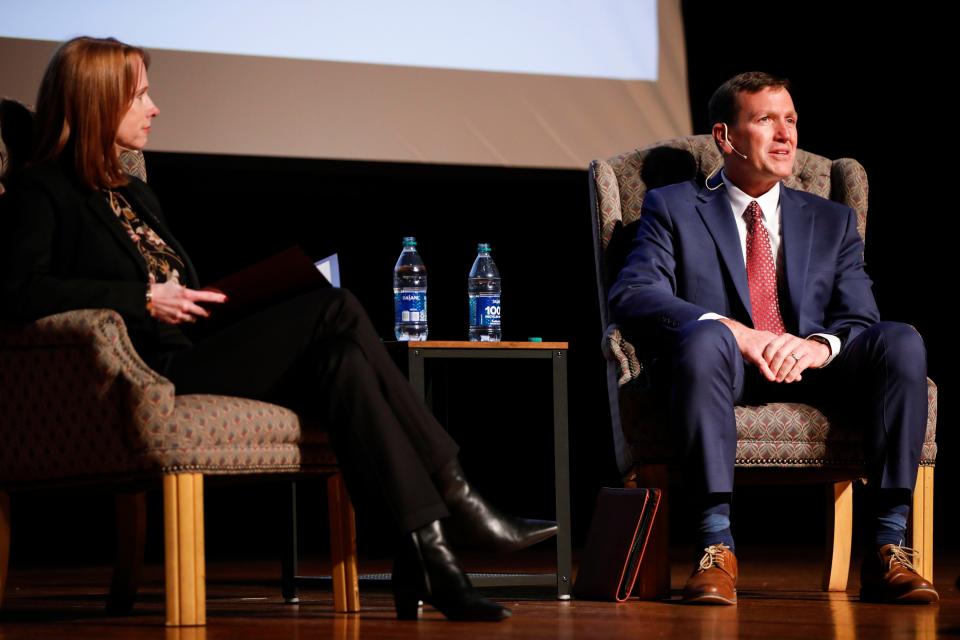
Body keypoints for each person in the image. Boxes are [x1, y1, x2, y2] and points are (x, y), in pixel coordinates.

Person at [0, 36, 557, 622]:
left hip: (197, 346)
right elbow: (15, 291)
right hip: (148, 372)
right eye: (140, 95)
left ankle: (428, 557)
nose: (154, 107)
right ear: (98, 102)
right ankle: (457, 496)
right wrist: (141, 299)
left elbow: (182, 290)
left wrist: (224, 297)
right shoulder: (42, 192)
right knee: (337, 309)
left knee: (345, 362)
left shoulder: (136, 194)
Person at [609, 72, 936, 605]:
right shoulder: (674, 206)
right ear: (726, 137)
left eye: (791, 120)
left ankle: (888, 547)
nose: (786, 135)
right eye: (765, 120)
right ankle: (716, 546)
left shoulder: (831, 219)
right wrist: (734, 331)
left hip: (814, 367)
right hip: (723, 368)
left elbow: (860, 315)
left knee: (900, 341)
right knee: (704, 338)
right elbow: (635, 292)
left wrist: (816, 346)